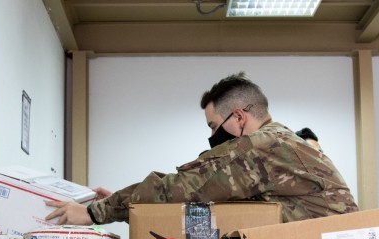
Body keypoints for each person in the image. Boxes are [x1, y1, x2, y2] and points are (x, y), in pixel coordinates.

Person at [45, 72, 358, 225]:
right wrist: (123, 202)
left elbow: (178, 189)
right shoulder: (286, 142)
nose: (212, 137)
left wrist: (93, 213)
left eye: (213, 127)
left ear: (238, 117)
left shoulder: (259, 147)